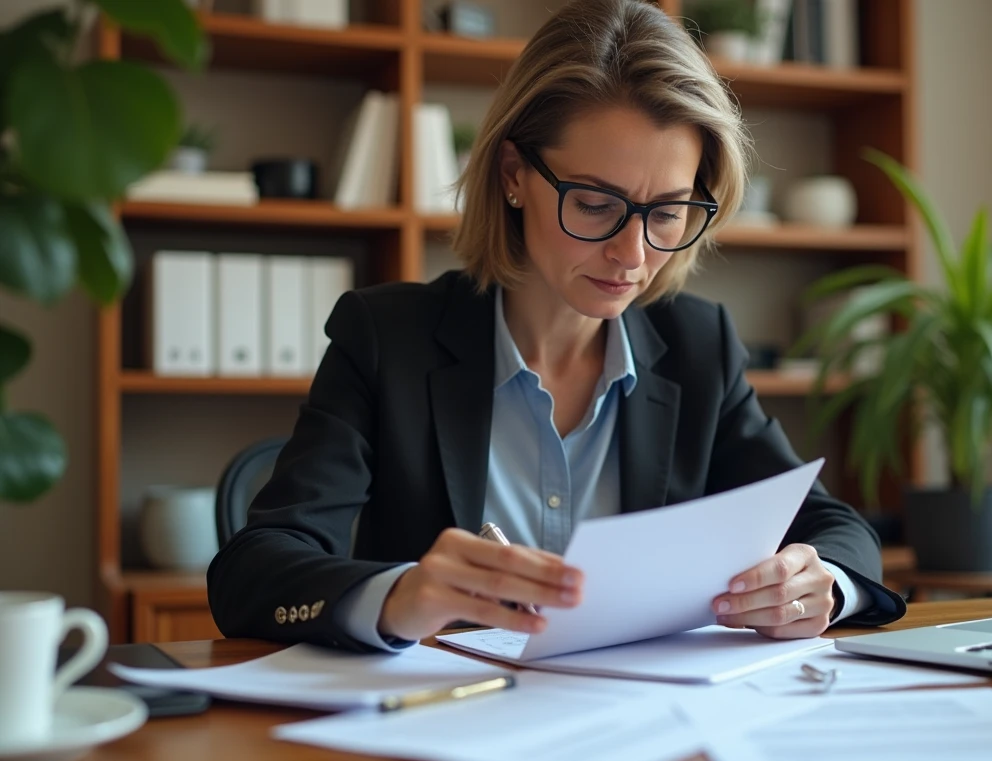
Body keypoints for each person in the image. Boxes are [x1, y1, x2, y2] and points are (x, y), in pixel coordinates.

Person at [207, 0, 905, 652]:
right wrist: (399, 596)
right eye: (597, 203)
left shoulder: (698, 348)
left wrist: (823, 587)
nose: (633, 256)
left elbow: (836, 530)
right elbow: (252, 573)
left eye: (666, 212)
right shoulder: (387, 338)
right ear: (514, 173)